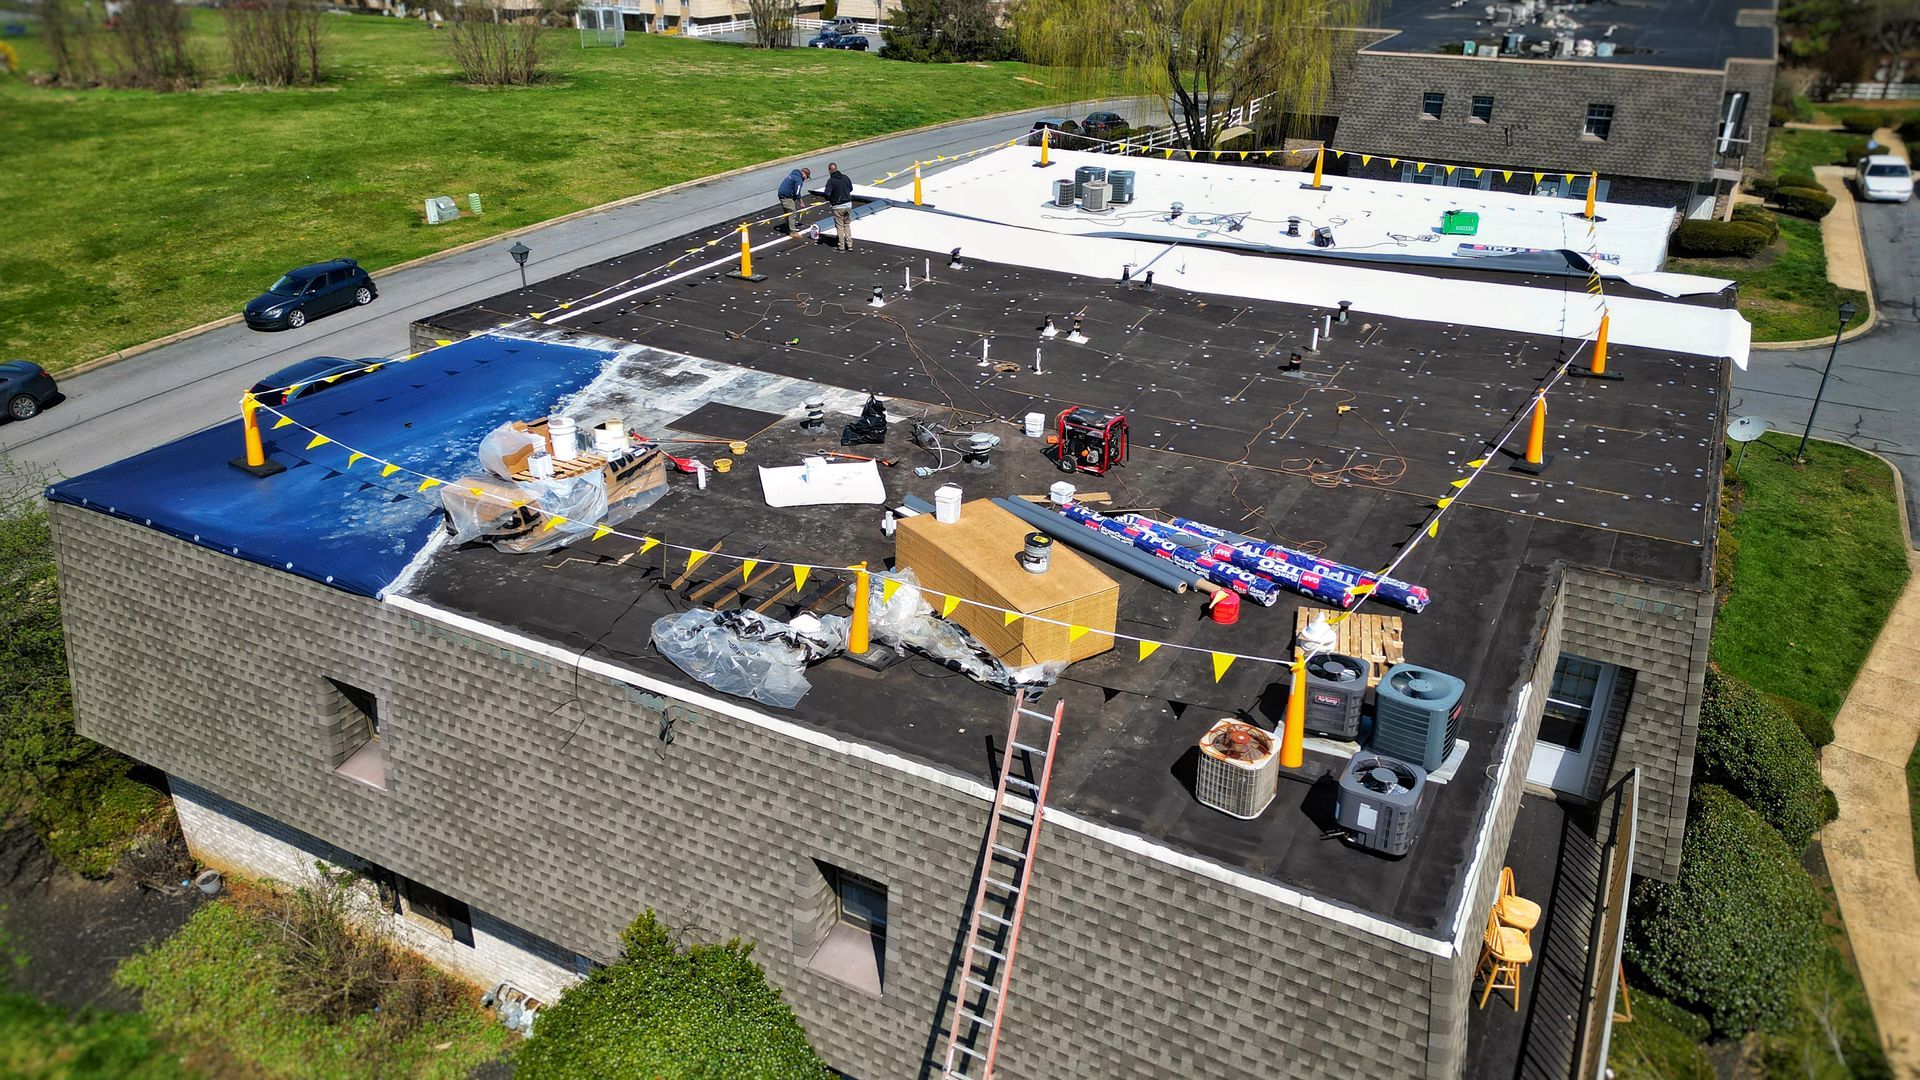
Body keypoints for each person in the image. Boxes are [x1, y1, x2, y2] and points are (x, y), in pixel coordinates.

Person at [823, 162, 854, 251]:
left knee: (840, 226)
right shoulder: (845, 177)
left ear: (829, 170)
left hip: (838, 206)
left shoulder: (831, 181)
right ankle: (850, 244)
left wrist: (832, 199)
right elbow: (851, 188)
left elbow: (827, 193)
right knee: (847, 225)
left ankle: (841, 246)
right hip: (848, 204)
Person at [776, 166, 811, 236]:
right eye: (807, 177)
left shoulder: (793, 174)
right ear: (804, 175)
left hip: (781, 194)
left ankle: (788, 226)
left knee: (787, 212)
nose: (806, 179)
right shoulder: (798, 180)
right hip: (786, 197)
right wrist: (801, 202)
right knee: (792, 212)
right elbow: (797, 193)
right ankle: (793, 231)